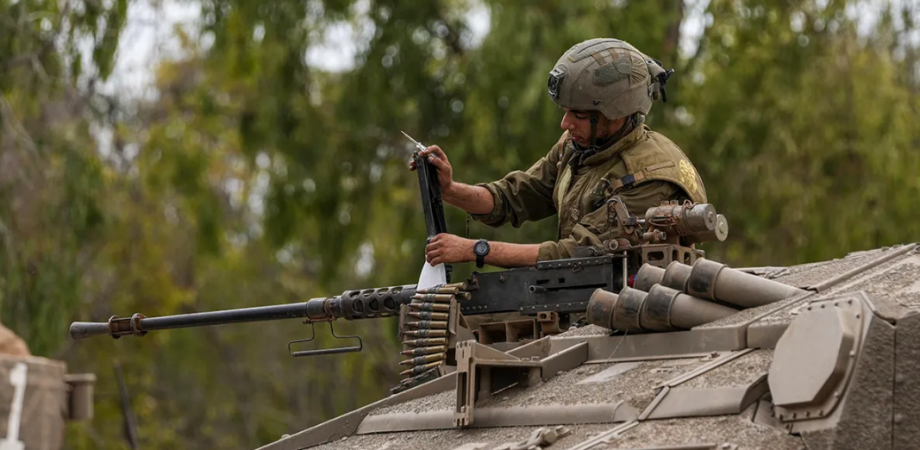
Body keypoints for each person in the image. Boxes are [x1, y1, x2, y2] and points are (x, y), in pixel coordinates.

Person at [415, 38, 707, 269]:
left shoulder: (649, 179)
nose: (565, 124)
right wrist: (450, 190)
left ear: (616, 115)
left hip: (641, 311)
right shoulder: (580, 145)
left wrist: (476, 249)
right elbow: (518, 195)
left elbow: (575, 254)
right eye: (566, 112)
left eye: (578, 114)